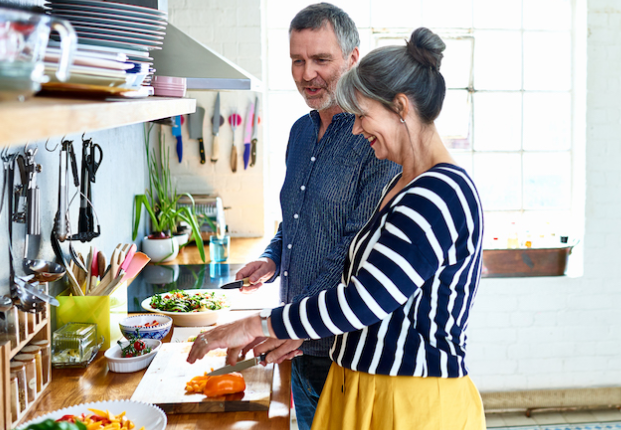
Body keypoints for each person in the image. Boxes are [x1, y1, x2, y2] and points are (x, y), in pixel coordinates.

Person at [190, 27, 486, 430]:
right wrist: (295, 329)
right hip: (365, 385)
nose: (356, 129)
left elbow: (364, 299)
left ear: (401, 107)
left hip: (408, 400)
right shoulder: (405, 181)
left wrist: (253, 324)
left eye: (363, 115)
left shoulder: (440, 194)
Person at [229, 4, 400, 430]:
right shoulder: (300, 132)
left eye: (321, 60)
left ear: (352, 59)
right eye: (297, 61)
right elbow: (295, 219)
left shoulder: (374, 141)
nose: (307, 74)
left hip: (345, 355)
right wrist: (271, 258)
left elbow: (354, 253)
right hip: (296, 347)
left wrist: (289, 325)